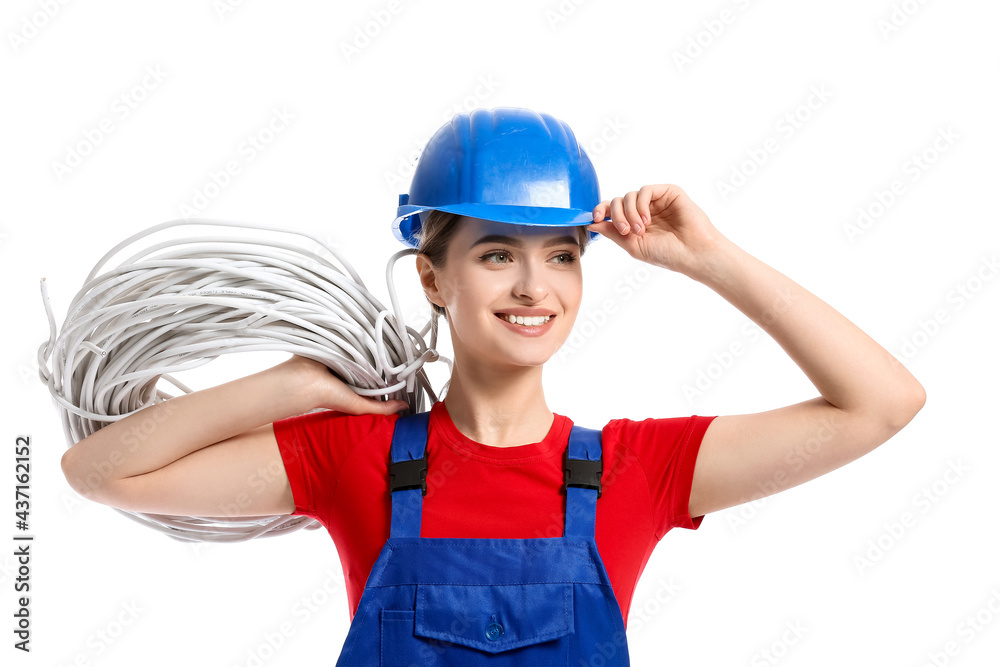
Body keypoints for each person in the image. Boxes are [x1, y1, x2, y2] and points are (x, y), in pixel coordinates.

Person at [60, 107, 925, 665]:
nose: (533, 288)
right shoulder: (352, 455)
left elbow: (883, 402)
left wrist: (711, 259)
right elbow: (101, 472)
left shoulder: (635, 468)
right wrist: (287, 386)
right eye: (496, 253)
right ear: (434, 277)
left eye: (562, 256)